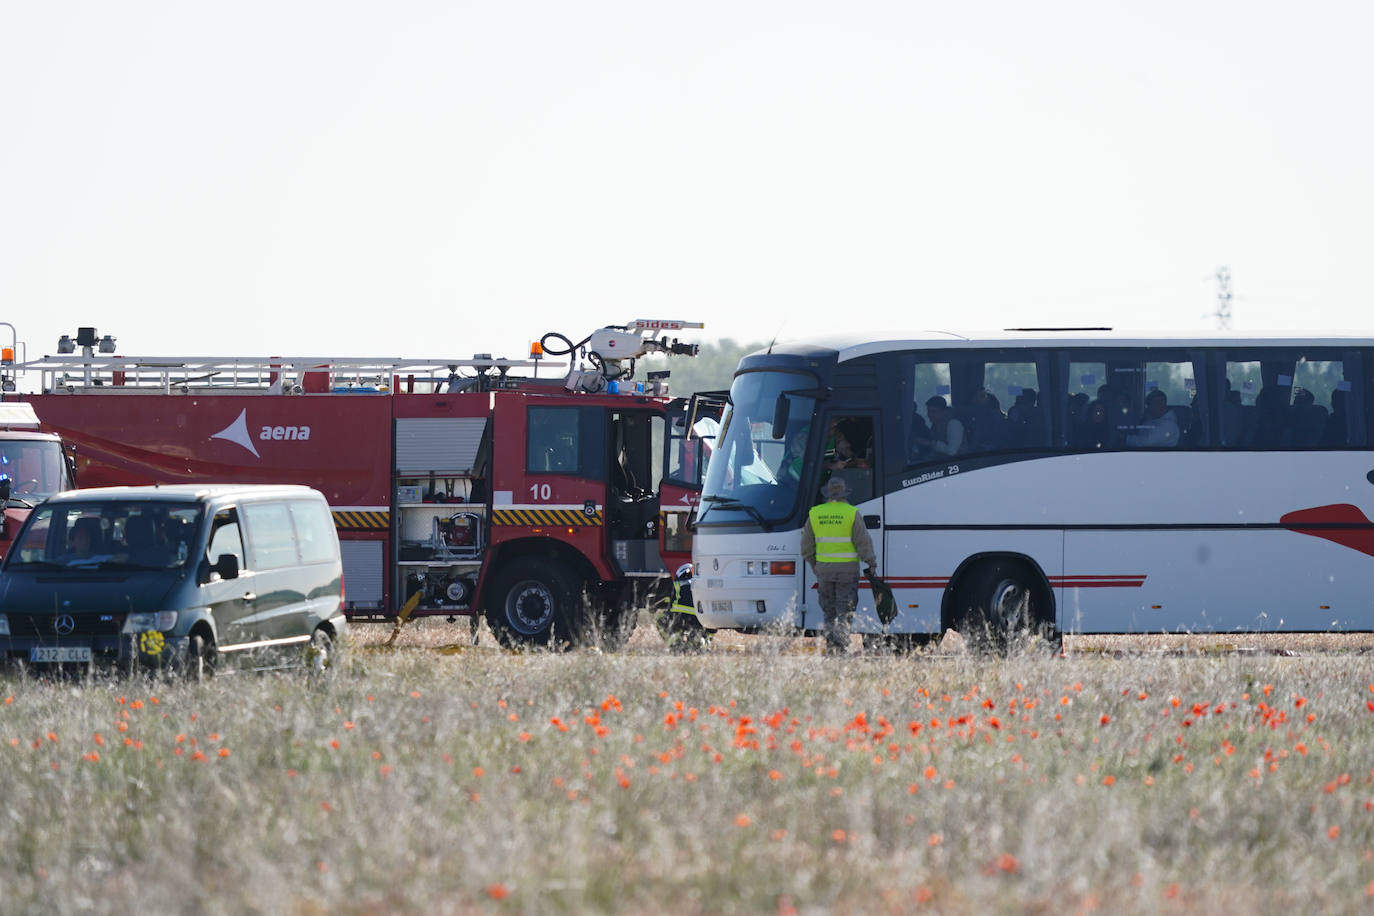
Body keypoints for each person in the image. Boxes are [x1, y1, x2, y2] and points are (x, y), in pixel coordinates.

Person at [801, 476, 877, 655]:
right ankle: (842, 648)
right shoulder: (851, 513)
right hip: (847, 572)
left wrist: (813, 563)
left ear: (828, 494)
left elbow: (806, 545)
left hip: (824, 572)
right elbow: (863, 542)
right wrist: (871, 562)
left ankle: (832, 648)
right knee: (844, 609)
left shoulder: (815, 513)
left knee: (829, 610)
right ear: (845, 493)